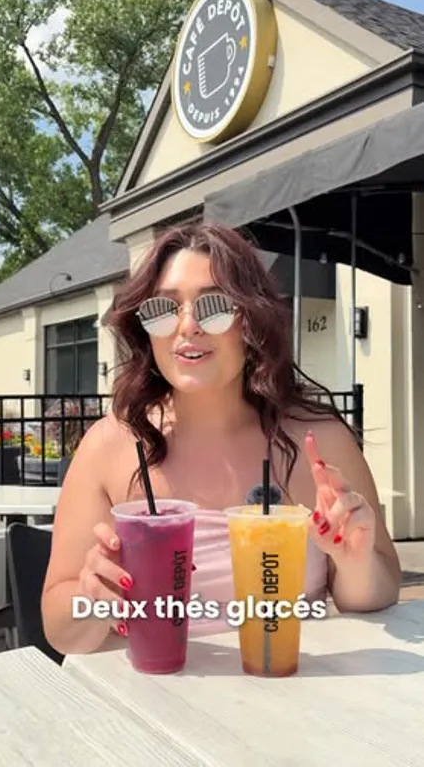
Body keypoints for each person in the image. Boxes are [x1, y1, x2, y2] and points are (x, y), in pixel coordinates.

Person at [41, 222, 401, 655]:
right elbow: (60, 631)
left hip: (286, 683)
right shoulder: (110, 444)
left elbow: (378, 592)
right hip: (146, 689)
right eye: (163, 309)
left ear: (252, 320)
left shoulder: (319, 441)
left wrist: (354, 560)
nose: (187, 326)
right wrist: (93, 598)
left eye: (214, 306)